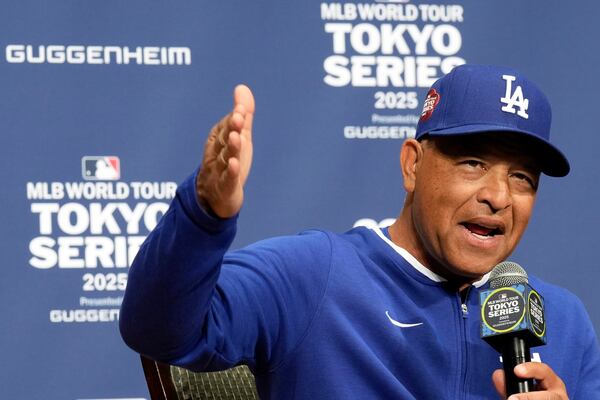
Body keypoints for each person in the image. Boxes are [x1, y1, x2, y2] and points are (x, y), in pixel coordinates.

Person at [120, 64, 600, 399]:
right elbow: (158, 330)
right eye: (473, 163)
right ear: (413, 165)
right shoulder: (314, 275)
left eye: (523, 178)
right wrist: (203, 212)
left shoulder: (563, 319)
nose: (499, 195)